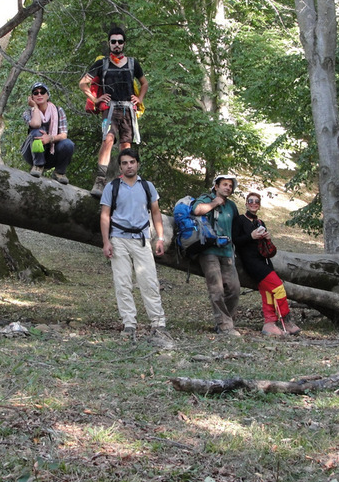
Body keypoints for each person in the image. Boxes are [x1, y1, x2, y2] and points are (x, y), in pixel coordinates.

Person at [99, 148, 174, 349]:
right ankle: (129, 324)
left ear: (137, 163)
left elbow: (156, 213)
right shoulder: (112, 187)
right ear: (120, 166)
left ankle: (158, 324)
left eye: (132, 162)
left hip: (142, 239)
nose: (128, 166)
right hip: (118, 239)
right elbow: (105, 215)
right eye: (124, 163)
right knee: (122, 283)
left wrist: (160, 238)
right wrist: (106, 242)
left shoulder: (148, 187)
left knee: (149, 281)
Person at [79, 26, 148, 197]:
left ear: (124, 43)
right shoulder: (101, 63)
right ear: (109, 43)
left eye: (120, 41)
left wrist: (140, 99)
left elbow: (144, 83)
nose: (117, 45)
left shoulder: (133, 63)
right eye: (113, 41)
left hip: (128, 110)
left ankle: (124, 179)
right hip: (110, 109)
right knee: (108, 140)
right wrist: (95, 100)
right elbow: (82, 83)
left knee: (125, 145)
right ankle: (100, 180)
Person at [232, 192, 300, 337]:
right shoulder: (239, 220)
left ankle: (269, 324)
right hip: (250, 262)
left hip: (264, 261)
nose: (253, 203)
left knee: (268, 292)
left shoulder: (260, 222)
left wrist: (267, 238)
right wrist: (251, 236)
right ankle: (286, 321)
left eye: (257, 201)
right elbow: (235, 240)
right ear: (246, 203)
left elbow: (267, 250)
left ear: (259, 205)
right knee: (279, 288)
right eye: (250, 201)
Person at [192, 174, 242, 336]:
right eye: (225, 185)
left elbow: (235, 228)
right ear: (216, 186)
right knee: (217, 289)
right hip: (209, 251)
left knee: (234, 289)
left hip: (227, 252)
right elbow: (197, 210)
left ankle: (225, 320)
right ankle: (224, 325)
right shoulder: (206, 198)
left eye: (230, 186)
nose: (228, 188)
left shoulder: (232, 206)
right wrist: (214, 203)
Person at [20, 82, 75, 185]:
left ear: (47, 95)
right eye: (35, 93)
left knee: (68, 144)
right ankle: (38, 165)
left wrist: (50, 138)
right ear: (31, 97)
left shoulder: (58, 111)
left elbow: (64, 135)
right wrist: (35, 107)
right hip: (32, 153)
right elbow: (36, 124)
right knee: (37, 132)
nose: (39, 95)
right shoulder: (28, 112)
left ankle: (59, 173)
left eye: (42, 92)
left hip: (52, 152)